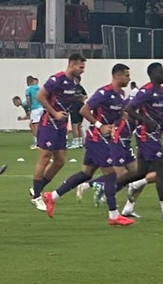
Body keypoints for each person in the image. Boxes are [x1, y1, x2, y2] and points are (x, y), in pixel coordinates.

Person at [39, 63, 135, 226]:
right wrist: (100, 126)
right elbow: (84, 110)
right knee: (111, 175)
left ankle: (52, 196)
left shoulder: (120, 95)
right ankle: (113, 216)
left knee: (86, 174)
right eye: (126, 75)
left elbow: (117, 115)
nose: (129, 78)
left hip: (103, 140)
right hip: (97, 139)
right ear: (117, 76)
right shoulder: (104, 92)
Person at [115, 68, 163, 222]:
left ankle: (109, 187)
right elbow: (129, 109)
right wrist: (146, 120)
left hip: (153, 138)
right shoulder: (147, 91)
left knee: (141, 172)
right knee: (162, 172)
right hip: (146, 136)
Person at [29, 54, 87, 210]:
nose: (82, 71)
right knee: (45, 158)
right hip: (49, 123)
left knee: (60, 161)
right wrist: (54, 113)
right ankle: (36, 196)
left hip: (61, 126)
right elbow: (40, 96)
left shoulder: (73, 83)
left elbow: (64, 99)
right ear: (72, 65)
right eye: (81, 67)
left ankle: (37, 188)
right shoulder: (57, 79)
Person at [24, 75, 43, 145]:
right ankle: (41, 140)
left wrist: (29, 107)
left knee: (34, 125)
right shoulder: (39, 88)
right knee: (40, 125)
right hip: (41, 108)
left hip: (35, 108)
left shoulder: (28, 89)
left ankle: (37, 142)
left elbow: (28, 100)